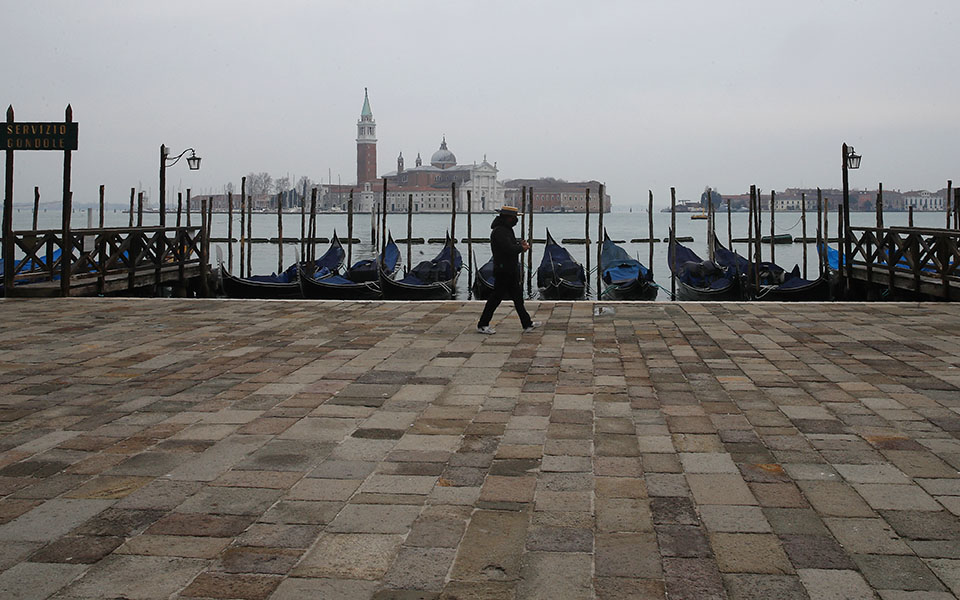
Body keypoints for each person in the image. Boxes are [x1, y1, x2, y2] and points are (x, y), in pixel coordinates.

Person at [477, 206, 541, 334]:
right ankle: (483, 324)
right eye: (514, 217)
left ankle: (527, 324)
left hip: (510, 269)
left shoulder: (506, 229)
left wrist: (519, 245)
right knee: (496, 298)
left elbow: (510, 245)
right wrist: (522, 248)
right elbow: (508, 249)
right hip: (503, 270)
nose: (516, 220)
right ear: (508, 218)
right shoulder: (499, 231)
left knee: (518, 298)